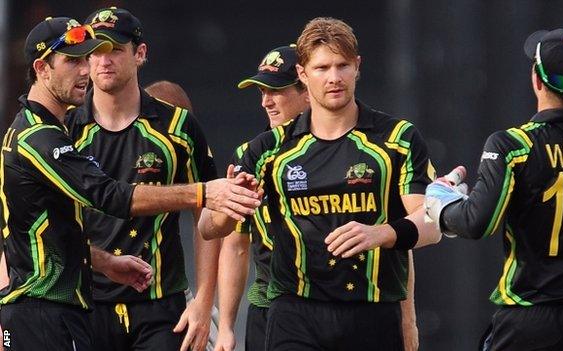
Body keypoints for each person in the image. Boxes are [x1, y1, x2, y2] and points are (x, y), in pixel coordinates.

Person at [0, 16, 259, 351]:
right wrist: (204, 193)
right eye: (75, 60)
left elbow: (55, 228)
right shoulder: (46, 137)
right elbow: (108, 196)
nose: (88, 69)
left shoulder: (174, 126)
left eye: (91, 56)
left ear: (140, 54)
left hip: (127, 304)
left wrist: (107, 262)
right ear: (41, 68)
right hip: (48, 310)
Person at [233, 17, 441, 351]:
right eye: (322, 68)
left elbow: (430, 224)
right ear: (302, 74)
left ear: (357, 67)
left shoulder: (397, 138)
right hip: (295, 310)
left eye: (343, 65)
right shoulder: (267, 149)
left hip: (372, 310)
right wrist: (224, 201)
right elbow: (215, 230)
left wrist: (381, 233)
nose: (334, 78)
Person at [425, 29, 563, 350]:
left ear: (537, 80)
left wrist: (440, 200)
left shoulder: (513, 145)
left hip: (529, 321)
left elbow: (477, 222)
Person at [65, 7, 235, 351]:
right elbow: (30, 214)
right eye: (94, 51)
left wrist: (204, 301)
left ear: (139, 54)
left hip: (161, 305)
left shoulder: (178, 128)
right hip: (82, 303)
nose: (103, 61)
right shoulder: (64, 130)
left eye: (114, 49)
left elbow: (206, 215)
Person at [214, 45, 309, 351]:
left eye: (276, 90)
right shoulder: (250, 154)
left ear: (307, 90)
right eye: (262, 91)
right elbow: (235, 243)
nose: (266, 101)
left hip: (339, 303)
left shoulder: (352, 148)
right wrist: (227, 327)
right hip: (269, 304)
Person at [144, 79, 221, 351]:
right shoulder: (90, 138)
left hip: (166, 294)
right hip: (93, 297)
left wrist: (203, 299)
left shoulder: (185, 138)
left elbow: (209, 214)